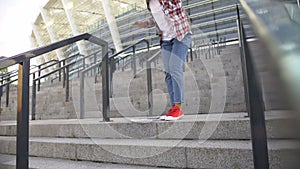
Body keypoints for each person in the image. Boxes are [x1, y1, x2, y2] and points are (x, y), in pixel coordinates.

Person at [133, 0, 192, 121]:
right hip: (166, 40)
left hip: (180, 35)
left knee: (175, 68)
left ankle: (178, 107)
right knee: (168, 73)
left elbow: (176, 5)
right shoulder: (150, 3)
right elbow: (156, 18)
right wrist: (143, 24)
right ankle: (174, 107)